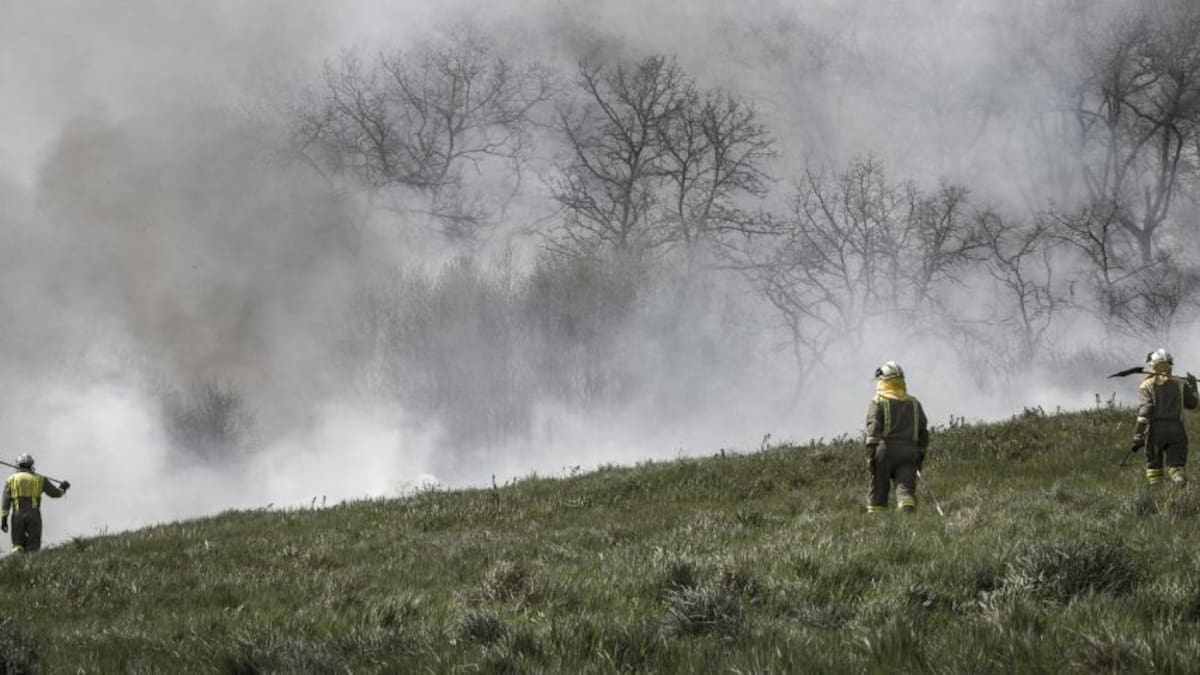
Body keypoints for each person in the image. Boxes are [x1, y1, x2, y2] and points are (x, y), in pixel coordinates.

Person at [864, 361, 929, 513]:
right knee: (905, 490)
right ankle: (907, 517)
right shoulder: (914, 403)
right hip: (909, 453)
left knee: (879, 488)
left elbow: (873, 430)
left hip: (885, 453)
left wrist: (870, 457)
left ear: (883, 380)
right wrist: (919, 456)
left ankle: (876, 519)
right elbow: (923, 433)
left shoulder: (878, 402)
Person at [1133, 348, 1198, 486]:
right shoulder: (1181, 384)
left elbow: (1146, 411)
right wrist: (1193, 387)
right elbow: (1192, 404)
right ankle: (1179, 480)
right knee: (1176, 466)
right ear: (1170, 364)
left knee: (1154, 465)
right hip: (1177, 429)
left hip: (1155, 431)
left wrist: (1138, 433)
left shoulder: (1146, 385)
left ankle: (1158, 492)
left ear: (1152, 365)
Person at [1, 454, 70, 552]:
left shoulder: (11, 479)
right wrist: (63, 488)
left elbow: (5, 501)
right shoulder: (40, 479)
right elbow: (55, 493)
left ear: (18, 465)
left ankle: (19, 564)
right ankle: (32, 563)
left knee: (17, 545)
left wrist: (4, 518)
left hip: (17, 515)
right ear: (31, 465)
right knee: (34, 545)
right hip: (34, 515)